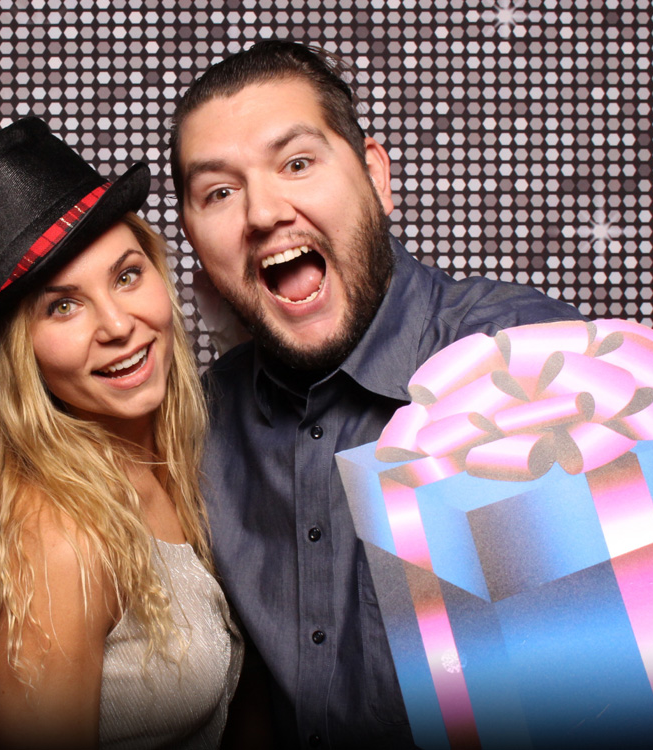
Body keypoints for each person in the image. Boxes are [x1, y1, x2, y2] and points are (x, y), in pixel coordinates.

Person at [169, 40, 585, 749]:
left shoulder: (523, 366)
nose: (265, 212)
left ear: (375, 177)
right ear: (195, 244)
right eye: (220, 192)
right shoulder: (196, 427)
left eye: (297, 163)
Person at [0, 117, 243, 750]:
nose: (117, 324)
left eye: (127, 275)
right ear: (21, 354)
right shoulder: (59, 536)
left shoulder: (176, 462)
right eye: (63, 305)